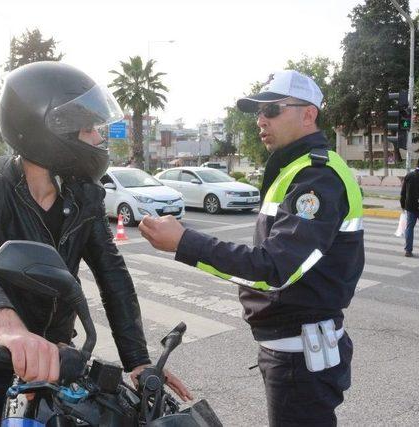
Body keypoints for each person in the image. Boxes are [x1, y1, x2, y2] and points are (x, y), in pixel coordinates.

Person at [0, 61, 191, 426]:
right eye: (87, 129)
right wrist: (10, 330)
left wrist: (138, 362)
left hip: (54, 357)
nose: (99, 139)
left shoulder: (84, 193)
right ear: (47, 128)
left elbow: (111, 271)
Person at [139, 70, 364, 426]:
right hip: (293, 351)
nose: (261, 119)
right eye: (257, 111)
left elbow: (275, 269)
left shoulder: (317, 178)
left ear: (309, 114)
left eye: (272, 109)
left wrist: (184, 242)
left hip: (299, 358)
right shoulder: (296, 170)